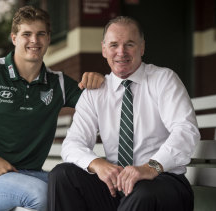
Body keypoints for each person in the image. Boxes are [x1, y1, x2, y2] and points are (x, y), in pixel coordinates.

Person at [0, 6, 104, 211]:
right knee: (42, 195)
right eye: (27, 34)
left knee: (84, 190)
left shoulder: (58, 83)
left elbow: (101, 107)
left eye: (40, 34)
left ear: (48, 38)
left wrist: (101, 83)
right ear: (14, 38)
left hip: (31, 174)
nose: (34, 40)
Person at [48, 16, 200, 211]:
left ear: (142, 47)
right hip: (117, 186)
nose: (121, 52)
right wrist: (97, 164)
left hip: (162, 182)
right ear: (104, 49)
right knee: (62, 175)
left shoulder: (164, 80)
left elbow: (186, 130)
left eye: (129, 44)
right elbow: (72, 144)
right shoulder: (95, 93)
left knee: (143, 194)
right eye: (114, 45)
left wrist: (150, 167)